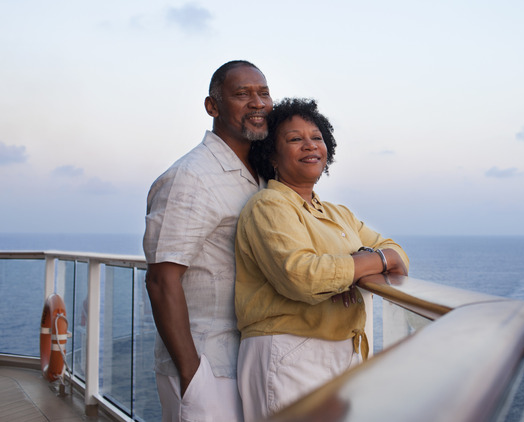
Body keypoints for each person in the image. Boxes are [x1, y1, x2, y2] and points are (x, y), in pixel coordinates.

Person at [234, 98, 410, 418]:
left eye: (316, 137)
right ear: (271, 154)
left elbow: (397, 254)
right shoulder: (268, 206)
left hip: (344, 349)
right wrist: (369, 262)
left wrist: (356, 267)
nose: (310, 145)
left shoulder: (337, 214)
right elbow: (304, 277)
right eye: (294, 139)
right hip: (289, 352)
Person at [143, 60, 270, 421]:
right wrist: (191, 373)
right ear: (212, 107)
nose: (257, 102)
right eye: (242, 94)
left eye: (263, 93)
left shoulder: (261, 175)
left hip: (244, 361)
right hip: (204, 365)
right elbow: (160, 279)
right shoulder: (190, 176)